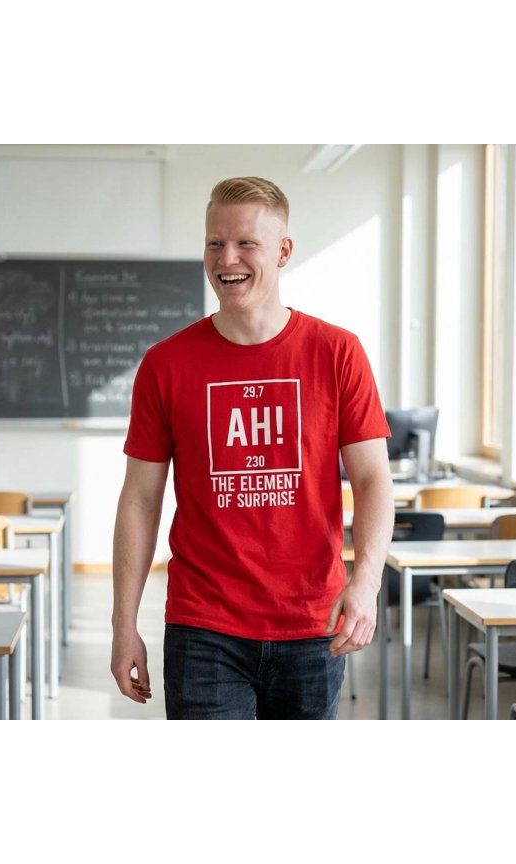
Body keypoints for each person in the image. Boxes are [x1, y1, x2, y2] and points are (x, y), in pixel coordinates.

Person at [111, 176, 394, 720]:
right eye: (215, 243)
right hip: (204, 628)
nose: (227, 258)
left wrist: (366, 581)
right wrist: (124, 625)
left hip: (313, 622)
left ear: (284, 251)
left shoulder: (338, 353)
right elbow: (139, 500)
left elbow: (373, 480)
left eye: (246, 243)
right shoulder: (165, 365)